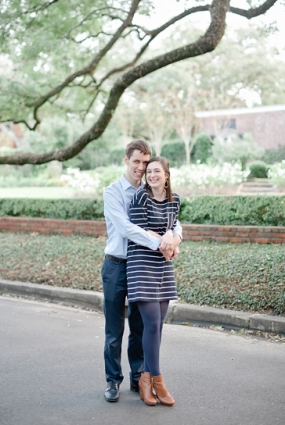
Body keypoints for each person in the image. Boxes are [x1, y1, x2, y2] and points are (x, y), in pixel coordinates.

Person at [101, 139, 182, 403]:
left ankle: (139, 377)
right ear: (126, 160)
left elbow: (173, 220)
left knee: (141, 327)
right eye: (136, 161)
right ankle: (113, 381)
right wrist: (162, 242)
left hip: (144, 264)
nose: (141, 167)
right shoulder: (112, 192)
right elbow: (126, 228)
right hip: (117, 264)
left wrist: (174, 237)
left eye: (145, 163)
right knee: (114, 330)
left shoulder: (152, 190)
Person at [127, 156, 180, 407]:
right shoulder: (141, 198)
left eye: (157, 171)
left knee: (158, 325)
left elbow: (174, 228)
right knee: (150, 324)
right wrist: (167, 241)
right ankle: (158, 380)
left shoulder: (175, 201)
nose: (151, 175)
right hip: (141, 265)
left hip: (163, 266)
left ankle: (145, 379)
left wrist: (172, 236)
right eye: (149, 171)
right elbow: (140, 231)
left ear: (166, 175)